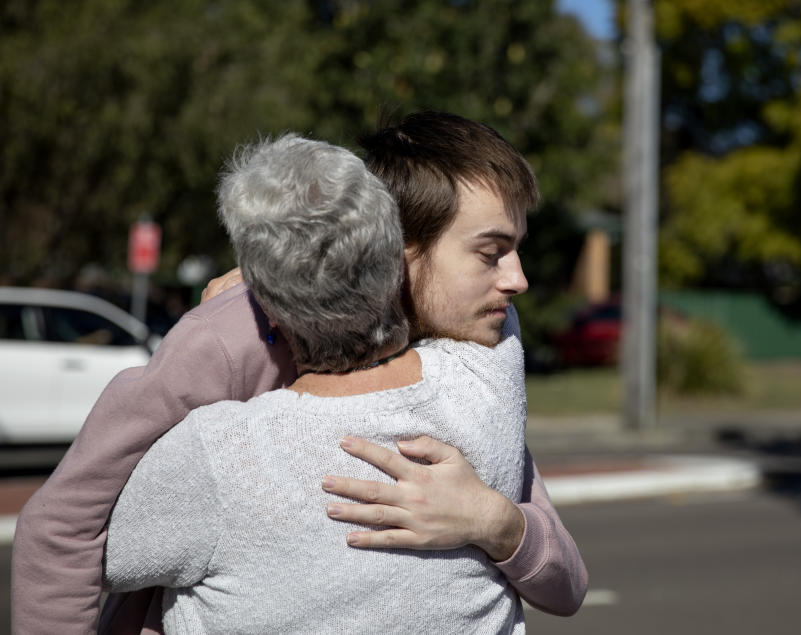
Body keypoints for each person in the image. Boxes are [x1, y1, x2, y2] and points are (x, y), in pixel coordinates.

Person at [11, 111, 586, 634]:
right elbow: (65, 524)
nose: (517, 282)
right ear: (398, 249)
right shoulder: (231, 338)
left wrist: (496, 522)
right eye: (490, 253)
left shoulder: (474, 367)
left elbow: (566, 583)